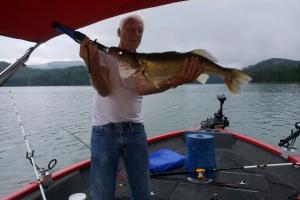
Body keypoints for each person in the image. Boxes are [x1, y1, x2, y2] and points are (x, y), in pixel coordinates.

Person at [79, 14, 205, 200]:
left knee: (142, 190)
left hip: (135, 130)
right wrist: (92, 64)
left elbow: (143, 88)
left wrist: (174, 81)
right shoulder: (104, 55)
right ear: (119, 32)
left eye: (140, 31)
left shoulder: (139, 61)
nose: (136, 34)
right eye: (131, 29)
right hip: (104, 131)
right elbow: (104, 90)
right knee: (103, 191)